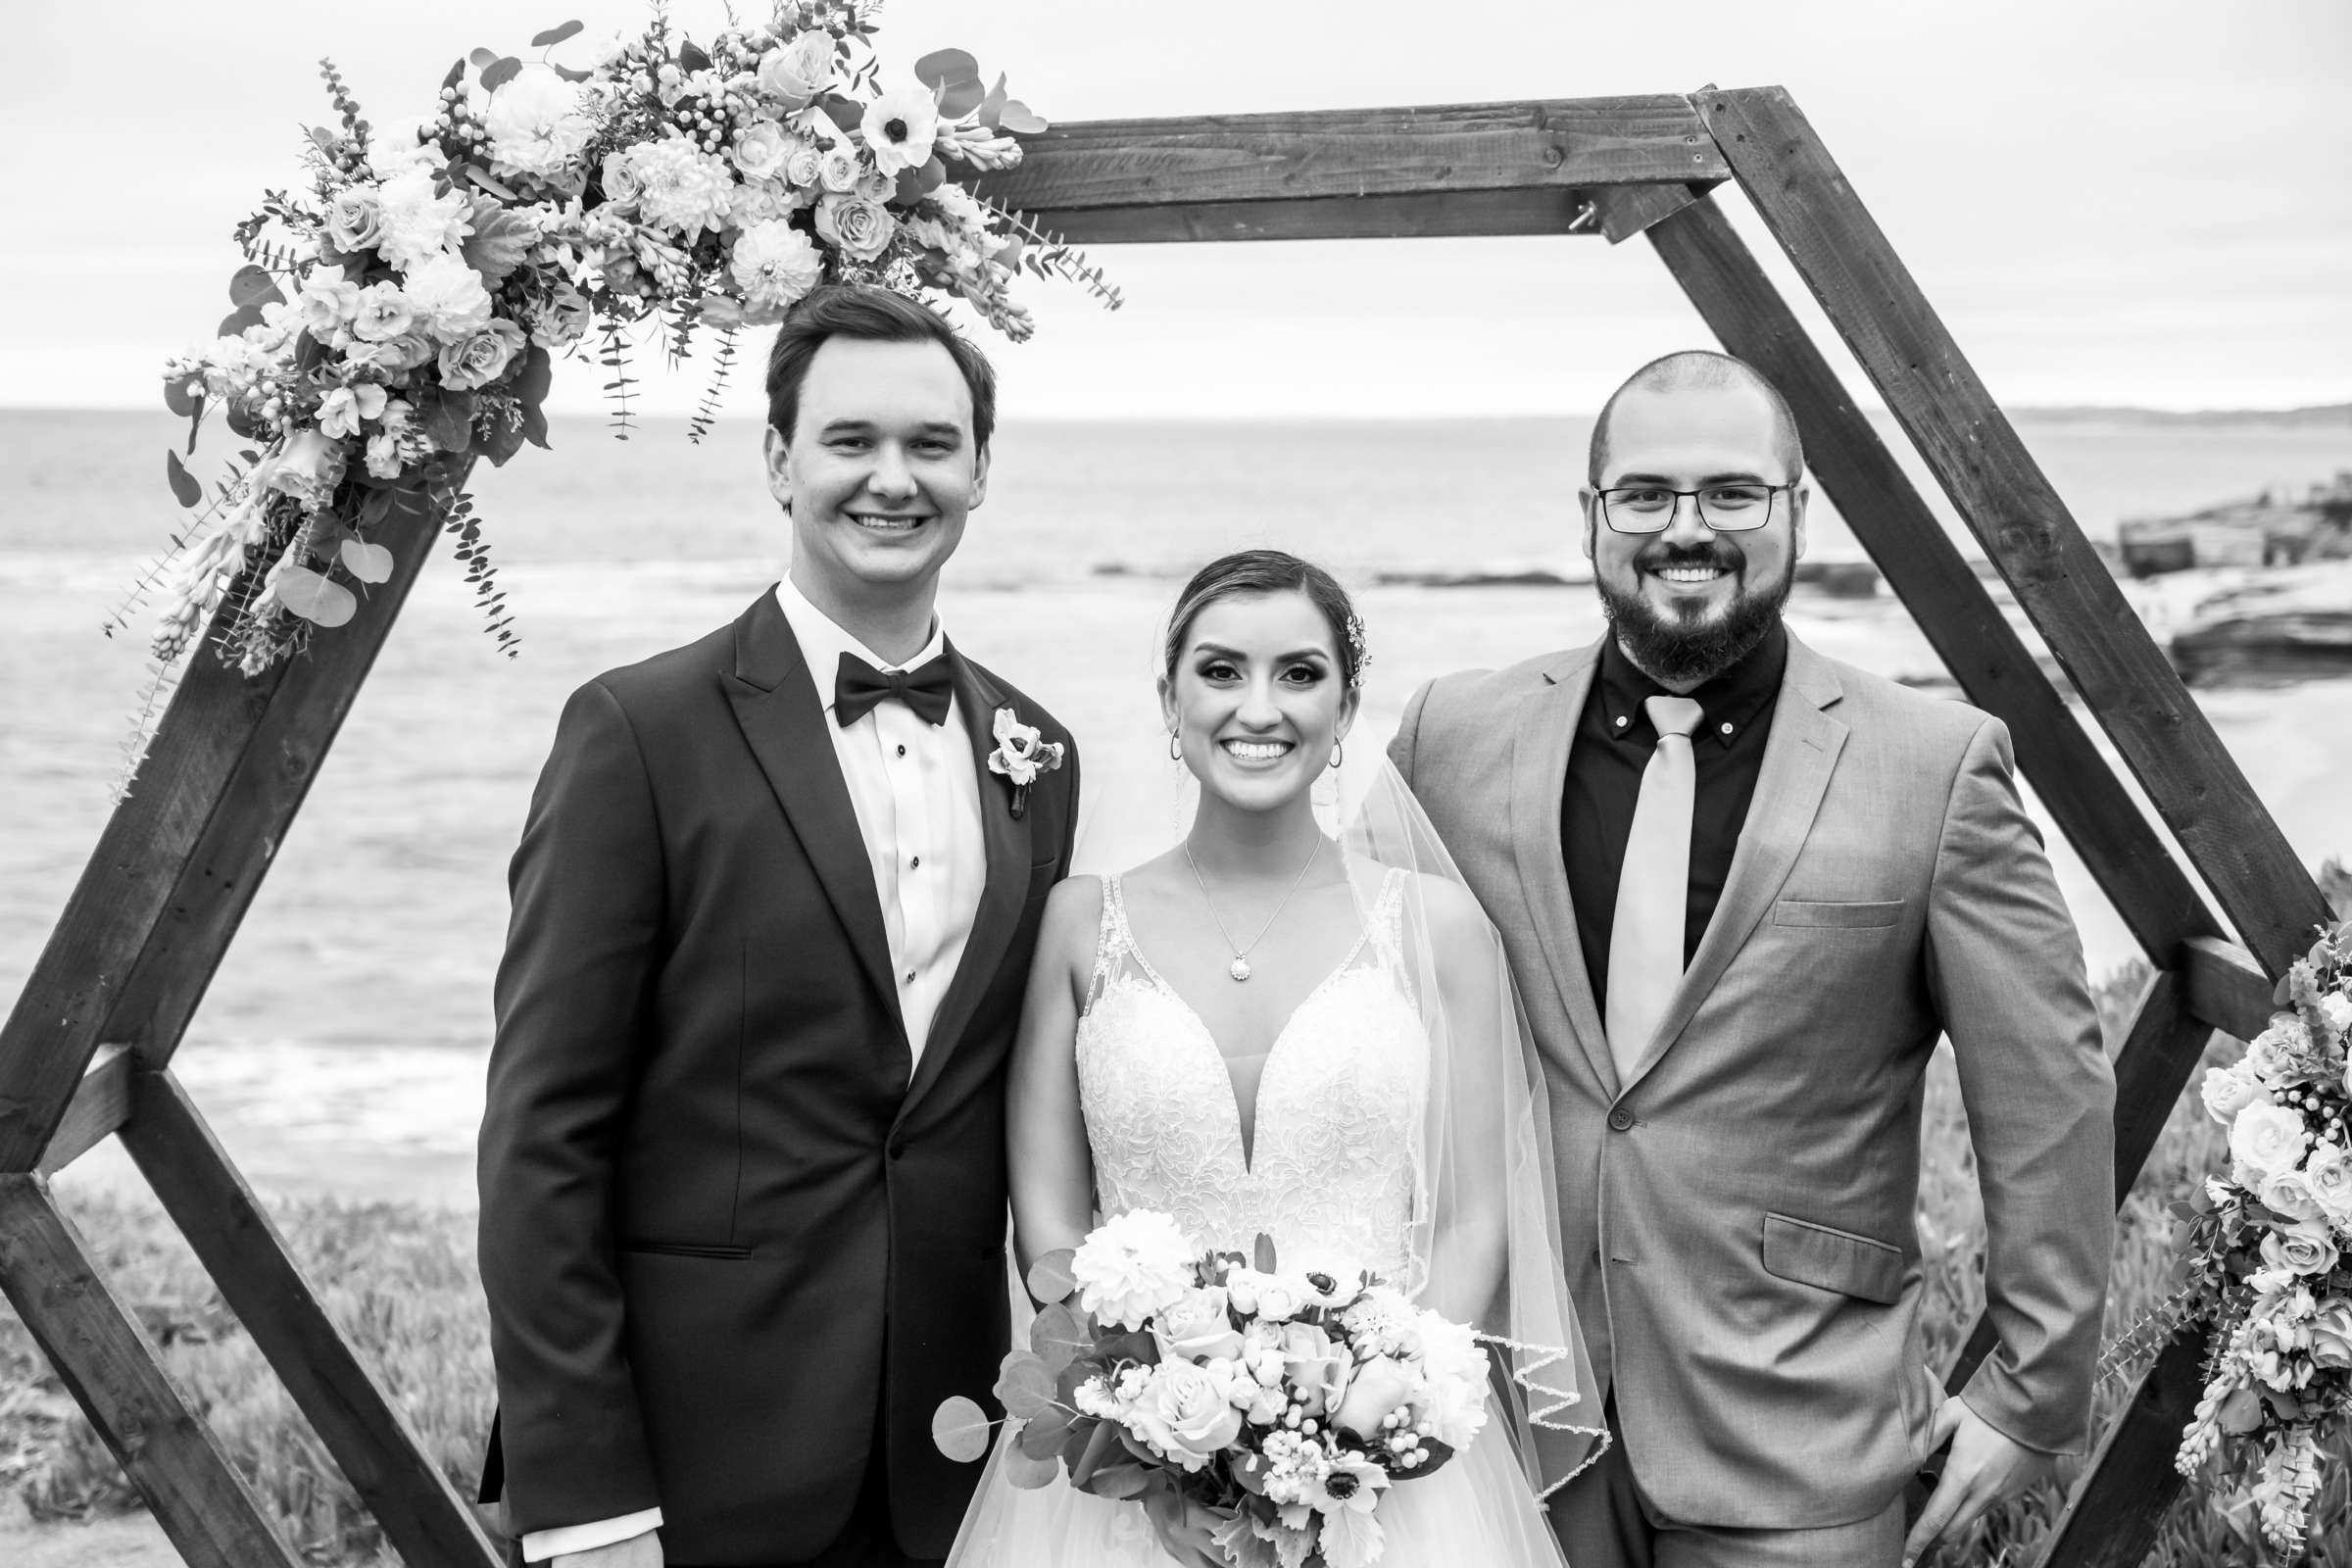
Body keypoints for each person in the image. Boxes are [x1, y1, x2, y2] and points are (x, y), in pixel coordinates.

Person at [1389, 351, 2116, 1568]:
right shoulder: (1449, 737)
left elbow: (2048, 1088)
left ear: (1795, 512)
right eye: (1646, 495)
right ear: (1591, 518)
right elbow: (1364, 1008)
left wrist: (2030, 1394)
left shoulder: (1937, 767)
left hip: (1800, 1436)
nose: (1688, 529)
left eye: (1732, 494)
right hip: (1503, 1427)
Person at [477, 285, 1080, 1568]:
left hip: (949, 1463)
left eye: (932, 445)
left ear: (980, 474)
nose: (892, 479)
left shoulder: (1041, 757)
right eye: (849, 440)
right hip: (694, 1467)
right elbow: (543, 1134)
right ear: (776, 461)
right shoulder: (637, 734)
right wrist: (588, 1504)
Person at [946, 550, 1605, 1567]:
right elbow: (1048, 1225)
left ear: (1347, 708)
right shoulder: (1081, 924)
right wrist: (1161, 1435)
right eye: (1220, 672)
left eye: (1300, 673)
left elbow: (1478, 1221)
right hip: (1127, 1485)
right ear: (1168, 701)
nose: (1260, 707)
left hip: (1390, 1482)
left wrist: (1351, 1428)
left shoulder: (1438, 930)